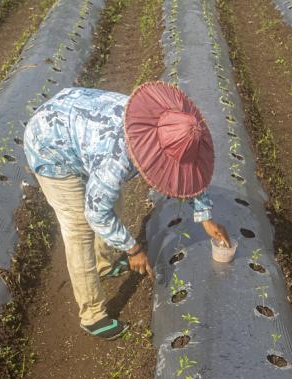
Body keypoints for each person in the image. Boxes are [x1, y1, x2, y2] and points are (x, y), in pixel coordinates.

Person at [23, 82, 231, 340]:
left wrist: (205, 216)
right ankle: (92, 315)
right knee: (80, 228)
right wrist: (133, 249)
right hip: (49, 146)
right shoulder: (116, 159)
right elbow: (96, 212)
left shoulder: (163, 125)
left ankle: (105, 263)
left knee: (115, 202)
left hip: (78, 127)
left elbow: (187, 168)